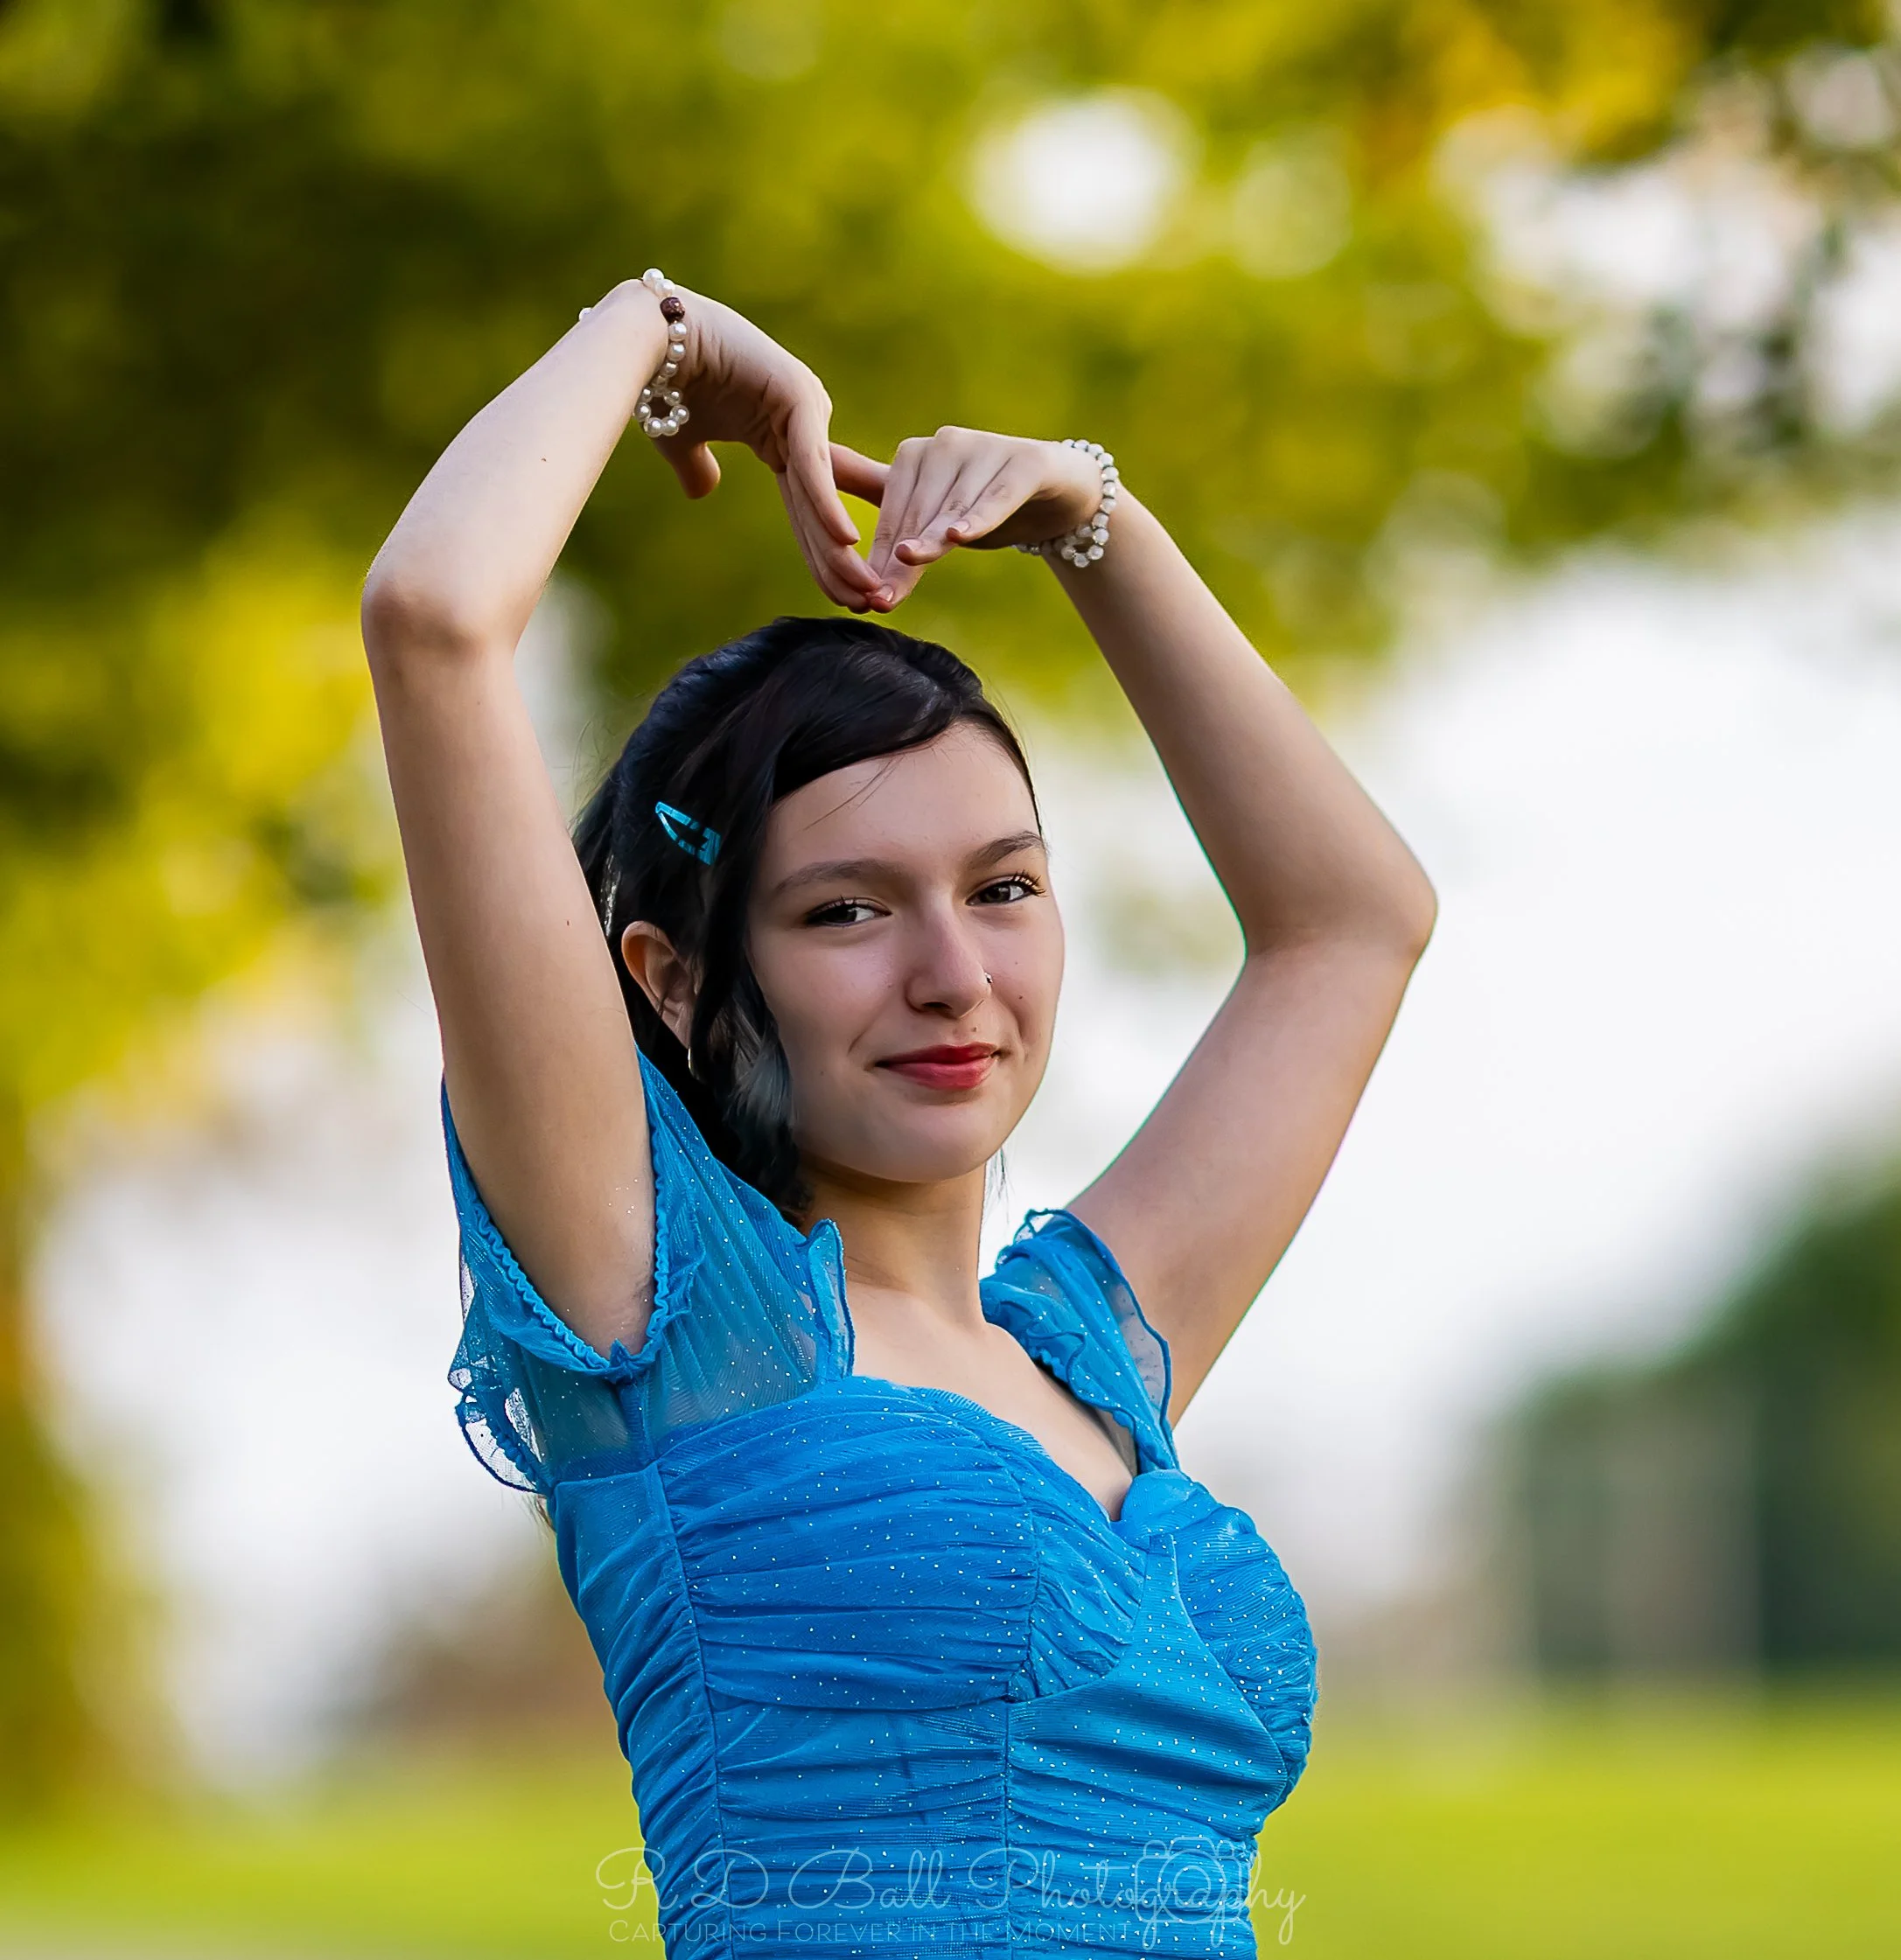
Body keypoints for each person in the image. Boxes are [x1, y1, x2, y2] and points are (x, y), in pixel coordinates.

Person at [360, 269, 1436, 1958]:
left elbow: (1352, 923)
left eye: (1002, 887)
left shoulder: (1089, 1349)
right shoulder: (674, 1312)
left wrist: (1093, 517)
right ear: (675, 976)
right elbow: (434, 620)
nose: (954, 973)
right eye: (849, 911)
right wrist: (652, 334)